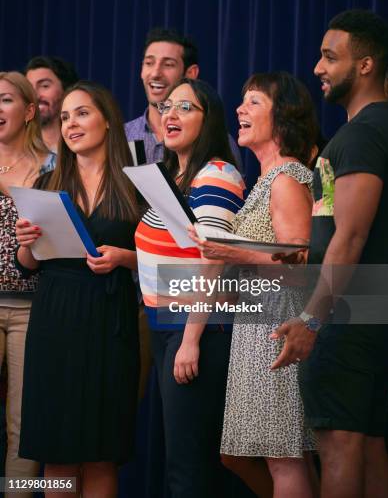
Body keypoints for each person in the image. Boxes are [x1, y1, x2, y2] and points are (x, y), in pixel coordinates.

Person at [272, 10, 388, 498]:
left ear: (366, 64)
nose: (318, 67)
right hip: (378, 307)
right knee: (370, 445)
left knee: (339, 444)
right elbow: (348, 233)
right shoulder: (386, 128)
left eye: (331, 57)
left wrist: (311, 320)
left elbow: (352, 237)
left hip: (350, 315)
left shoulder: (365, 134)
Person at [190, 71, 319, 498]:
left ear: (282, 118)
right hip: (255, 327)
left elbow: (302, 265)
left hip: (279, 328)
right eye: (242, 102)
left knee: (283, 456)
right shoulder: (267, 179)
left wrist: (233, 253)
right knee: (241, 454)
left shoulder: (287, 179)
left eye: (254, 103)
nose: (240, 110)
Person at [16, 81, 140, 498]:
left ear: (107, 120)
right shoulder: (48, 180)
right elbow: (28, 265)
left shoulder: (138, 182)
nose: (71, 124)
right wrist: (26, 242)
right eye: (65, 116)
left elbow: (172, 257)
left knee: (101, 452)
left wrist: (125, 258)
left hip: (111, 318)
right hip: (56, 316)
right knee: (59, 449)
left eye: (82, 113)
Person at [135, 78, 245, 498]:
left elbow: (213, 258)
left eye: (185, 107)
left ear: (209, 118)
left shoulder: (216, 174)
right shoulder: (171, 176)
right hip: (165, 325)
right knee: (178, 461)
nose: (171, 115)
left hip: (194, 326)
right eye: (167, 107)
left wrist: (191, 338)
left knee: (189, 468)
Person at [0, 71, 55, 497]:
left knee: (23, 420)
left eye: (4, 100)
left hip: (33, 305)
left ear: (30, 110)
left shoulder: (50, 164)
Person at [125, 27, 243, 171]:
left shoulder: (216, 142)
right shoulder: (122, 136)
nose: (155, 73)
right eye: (149, 63)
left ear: (190, 73)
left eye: (168, 64)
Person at [24, 55, 79, 152]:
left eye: (44, 86)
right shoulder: (17, 149)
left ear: (66, 90)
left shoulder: (82, 147)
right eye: (29, 87)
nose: (35, 95)